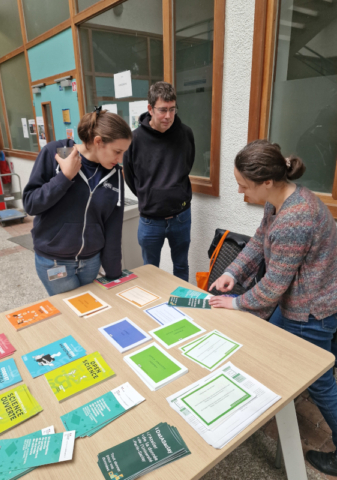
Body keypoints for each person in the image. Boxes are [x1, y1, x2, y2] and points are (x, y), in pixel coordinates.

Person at [208, 139, 337, 476]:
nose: (239, 190)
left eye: (242, 184)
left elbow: (270, 289)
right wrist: (232, 273)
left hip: (310, 312)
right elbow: (257, 243)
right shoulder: (279, 201)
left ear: (266, 181)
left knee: (320, 382)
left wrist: (234, 302)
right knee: (267, 348)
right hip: (295, 301)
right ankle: (269, 406)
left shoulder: (296, 220)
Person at [23, 107, 132, 296]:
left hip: (91, 261)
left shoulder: (114, 175)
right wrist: (64, 177)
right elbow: (31, 204)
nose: (120, 159)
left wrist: (115, 276)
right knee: (73, 315)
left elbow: (113, 228)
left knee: (91, 312)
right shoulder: (56, 153)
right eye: (117, 151)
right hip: (55, 261)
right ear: (98, 142)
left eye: (124, 153)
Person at [123, 81, 195, 282]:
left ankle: (182, 306)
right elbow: (129, 176)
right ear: (150, 109)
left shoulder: (185, 133)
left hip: (181, 216)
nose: (168, 116)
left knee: (181, 265)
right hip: (150, 219)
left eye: (172, 109)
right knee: (150, 271)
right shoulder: (134, 139)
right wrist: (149, 195)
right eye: (163, 110)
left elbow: (187, 165)